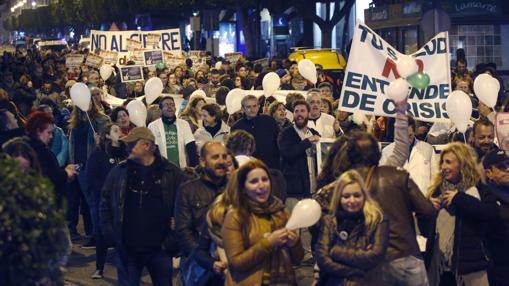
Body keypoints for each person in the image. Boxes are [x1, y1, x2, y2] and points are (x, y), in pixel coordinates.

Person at [333, 130, 435, 285]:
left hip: (369, 260)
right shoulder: (398, 175)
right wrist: (426, 234)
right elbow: (426, 210)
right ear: (378, 153)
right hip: (406, 254)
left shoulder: (347, 184)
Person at [100, 127, 184, 286]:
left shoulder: (171, 173)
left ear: (147, 146)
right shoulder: (120, 171)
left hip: (160, 250)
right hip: (127, 250)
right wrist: (111, 235)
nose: (127, 148)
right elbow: (105, 202)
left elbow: (183, 210)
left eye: (132, 144)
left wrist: (171, 242)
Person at [221, 160, 304, 285]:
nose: (261, 185)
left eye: (265, 179)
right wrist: (268, 243)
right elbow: (236, 263)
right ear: (243, 188)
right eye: (254, 182)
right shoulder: (235, 216)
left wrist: (294, 244)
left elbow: (298, 259)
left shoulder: (280, 211)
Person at [425, 142, 497, 286]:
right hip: (440, 267)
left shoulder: (480, 189)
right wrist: (427, 209)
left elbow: (490, 213)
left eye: (449, 162)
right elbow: (426, 230)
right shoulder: (436, 191)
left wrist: (459, 198)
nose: (443, 167)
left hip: (470, 267)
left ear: (462, 164)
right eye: (442, 162)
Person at [315, 170, 389, 285]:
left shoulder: (377, 219)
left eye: (357, 195)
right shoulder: (329, 220)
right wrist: (354, 270)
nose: (352, 201)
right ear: (339, 197)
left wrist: (335, 252)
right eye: (346, 196)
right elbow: (322, 259)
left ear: (364, 195)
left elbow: (374, 256)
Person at [86, 123, 127, 279]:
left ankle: (125, 268)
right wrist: (104, 194)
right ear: (108, 136)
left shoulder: (126, 152)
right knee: (103, 234)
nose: (120, 132)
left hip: (124, 201)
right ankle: (99, 267)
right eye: (115, 130)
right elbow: (91, 178)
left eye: (120, 130)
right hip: (105, 202)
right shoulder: (99, 153)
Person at [175, 141, 228, 257]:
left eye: (224, 156)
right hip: (197, 264)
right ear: (203, 162)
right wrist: (204, 258)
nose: (221, 161)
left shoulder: (235, 187)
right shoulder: (187, 190)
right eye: (215, 157)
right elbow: (183, 231)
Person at [68, 100, 110, 245]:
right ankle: (93, 233)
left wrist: (100, 141)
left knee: (95, 203)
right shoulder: (75, 122)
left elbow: (108, 141)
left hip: (94, 166)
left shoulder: (102, 120)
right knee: (88, 203)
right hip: (80, 167)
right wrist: (73, 164)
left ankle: (98, 235)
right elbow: (72, 144)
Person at [24, 112, 78, 206]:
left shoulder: (26, 145)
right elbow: (51, 178)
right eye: (48, 132)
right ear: (38, 131)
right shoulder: (40, 152)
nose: (51, 136)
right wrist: (67, 172)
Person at [380, 116, 438, 195]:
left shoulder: (427, 149)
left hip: (423, 201)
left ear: (414, 132)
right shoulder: (387, 152)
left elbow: (435, 178)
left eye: (410, 136)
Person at [278, 100, 320, 204]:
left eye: (302, 111)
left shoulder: (314, 133)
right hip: (294, 192)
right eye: (296, 111)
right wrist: (308, 141)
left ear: (309, 114)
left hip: (313, 191)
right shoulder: (285, 133)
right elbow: (288, 153)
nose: (299, 114)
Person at [231, 95, 280, 169]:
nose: (252, 109)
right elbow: (235, 151)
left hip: (271, 166)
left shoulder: (269, 121)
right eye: (248, 107)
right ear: (242, 109)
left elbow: (278, 142)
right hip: (248, 167)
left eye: (254, 106)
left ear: (259, 106)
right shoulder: (237, 127)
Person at [482, 150, 509, 285]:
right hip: (500, 266)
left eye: (508, 164)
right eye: (501, 167)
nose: (508, 169)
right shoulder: (487, 198)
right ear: (489, 173)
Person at [148, 96, 198, 168]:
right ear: (160, 110)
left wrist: (194, 168)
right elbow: (153, 151)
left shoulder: (184, 124)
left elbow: (191, 147)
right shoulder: (153, 126)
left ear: (175, 108)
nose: (170, 107)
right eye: (166, 105)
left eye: (172, 105)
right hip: (162, 170)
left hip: (181, 169)